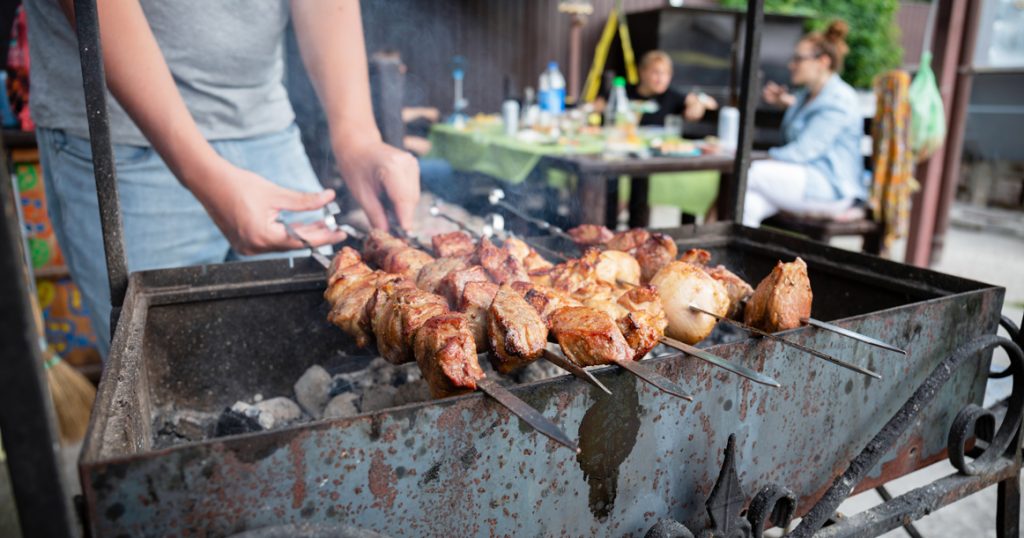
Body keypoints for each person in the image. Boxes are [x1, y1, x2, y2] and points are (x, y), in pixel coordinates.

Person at [25, 0, 420, 357]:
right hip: (126, 141)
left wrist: (358, 138)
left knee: (316, 363)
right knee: (171, 375)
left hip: (267, 127)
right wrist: (204, 175)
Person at [743, 21, 866, 228]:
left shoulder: (839, 100)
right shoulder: (806, 96)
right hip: (802, 181)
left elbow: (804, 151)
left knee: (747, 174)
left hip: (828, 187)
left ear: (823, 62)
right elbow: (809, 119)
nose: (792, 64)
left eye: (799, 59)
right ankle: (736, 258)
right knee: (746, 203)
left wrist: (760, 156)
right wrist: (786, 103)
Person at [627, 50, 717, 127]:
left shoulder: (671, 96)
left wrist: (699, 103)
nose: (661, 79)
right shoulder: (624, 92)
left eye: (666, 73)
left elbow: (711, 104)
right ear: (642, 72)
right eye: (656, 72)